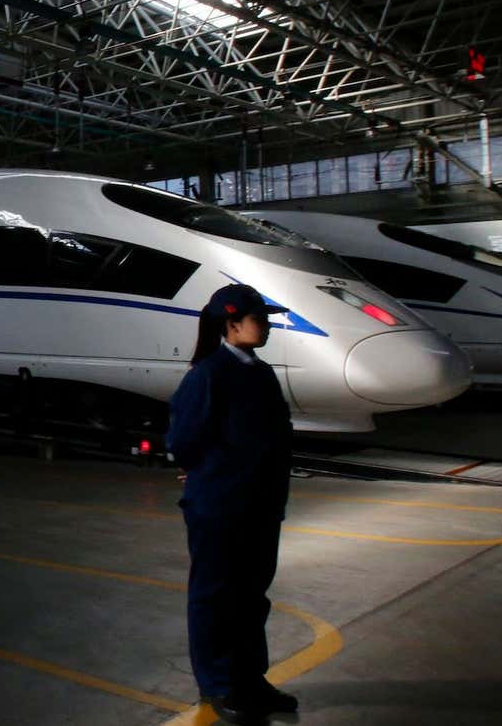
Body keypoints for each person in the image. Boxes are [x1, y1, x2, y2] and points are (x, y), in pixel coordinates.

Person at [166, 284, 300, 725]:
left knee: (250, 596)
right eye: (260, 318)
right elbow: (182, 441)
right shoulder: (208, 374)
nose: (267, 326)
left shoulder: (258, 372)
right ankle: (219, 685)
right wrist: (213, 475)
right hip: (220, 509)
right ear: (231, 323)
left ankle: (249, 679)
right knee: (216, 597)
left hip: (260, 507)